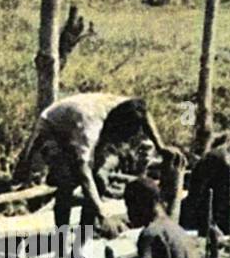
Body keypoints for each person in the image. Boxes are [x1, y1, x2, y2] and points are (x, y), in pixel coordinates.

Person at [13, 93, 175, 233]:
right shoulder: (88, 129)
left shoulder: (127, 107)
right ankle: (60, 240)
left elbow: (145, 114)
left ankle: (84, 238)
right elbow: (84, 174)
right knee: (67, 182)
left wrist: (161, 146)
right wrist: (102, 213)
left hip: (83, 118)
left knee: (100, 179)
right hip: (54, 127)